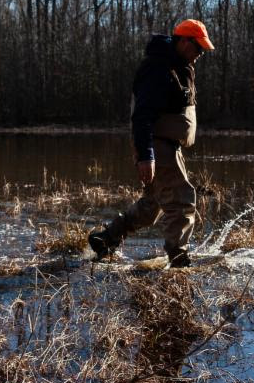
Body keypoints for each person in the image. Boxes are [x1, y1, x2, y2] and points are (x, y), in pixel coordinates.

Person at [88, 19, 215, 267]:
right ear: (184, 41)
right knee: (182, 199)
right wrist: (146, 156)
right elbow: (142, 116)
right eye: (197, 48)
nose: (200, 54)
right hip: (157, 145)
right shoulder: (159, 68)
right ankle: (179, 261)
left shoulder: (177, 65)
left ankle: (106, 239)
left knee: (152, 204)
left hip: (167, 146)